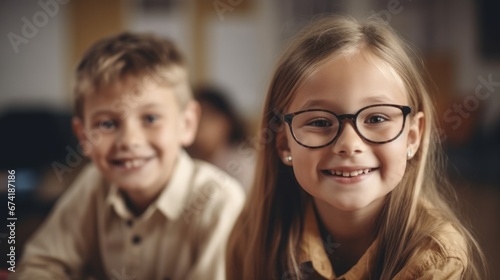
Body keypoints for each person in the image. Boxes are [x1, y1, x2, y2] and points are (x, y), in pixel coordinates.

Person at [226, 16, 487, 279]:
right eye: (319, 121)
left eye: (376, 119)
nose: (349, 145)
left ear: (412, 137)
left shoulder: (435, 256)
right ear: (283, 142)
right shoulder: (253, 236)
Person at [15, 32, 245, 280]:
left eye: (150, 118)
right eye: (107, 123)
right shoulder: (94, 184)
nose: (129, 140)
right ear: (83, 137)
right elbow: (38, 266)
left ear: (186, 124)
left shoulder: (218, 202)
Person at [187, 86, 256, 191]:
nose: (202, 124)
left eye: (209, 117)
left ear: (227, 123)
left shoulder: (242, 164)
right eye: (198, 117)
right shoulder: (188, 162)